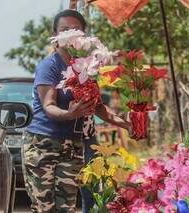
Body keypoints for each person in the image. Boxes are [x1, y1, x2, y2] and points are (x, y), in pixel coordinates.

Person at [22, 9, 131, 213]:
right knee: (45, 207)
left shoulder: (86, 67)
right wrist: (70, 114)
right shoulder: (49, 66)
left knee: (67, 207)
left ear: (84, 35)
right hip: (43, 144)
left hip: (73, 145)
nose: (70, 34)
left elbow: (97, 106)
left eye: (76, 30)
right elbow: (48, 106)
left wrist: (126, 124)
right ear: (56, 35)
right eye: (65, 30)